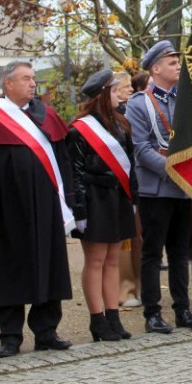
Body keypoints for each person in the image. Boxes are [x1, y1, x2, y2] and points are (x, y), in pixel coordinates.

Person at [0, 61, 74, 357]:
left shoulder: (47, 116)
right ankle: (10, 335)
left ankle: (46, 330)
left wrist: (69, 201)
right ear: (8, 84)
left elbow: (63, 161)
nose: (33, 84)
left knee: (49, 264)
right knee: (9, 268)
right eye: (26, 79)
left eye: (33, 78)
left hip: (45, 204)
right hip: (7, 207)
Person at [125, 41, 192, 333]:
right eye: (172, 62)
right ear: (155, 69)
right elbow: (141, 148)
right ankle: (152, 312)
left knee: (180, 252)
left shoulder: (187, 100)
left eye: (178, 62)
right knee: (153, 252)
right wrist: (172, 171)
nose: (178, 66)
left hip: (185, 186)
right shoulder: (139, 103)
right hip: (157, 187)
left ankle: (183, 309)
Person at [67, 69, 138, 342]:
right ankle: (97, 320)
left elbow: (130, 167)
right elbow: (74, 172)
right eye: (114, 89)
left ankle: (113, 317)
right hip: (95, 199)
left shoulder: (121, 124)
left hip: (117, 197)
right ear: (101, 94)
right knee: (95, 260)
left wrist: (133, 197)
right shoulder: (80, 129)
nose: (119, 93)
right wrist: (80, 211)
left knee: (112, 260)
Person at [115, 72, 143, 308]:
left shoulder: (133, 110)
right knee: (125, 241)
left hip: (137, 183)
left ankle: (139, 284)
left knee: (139, 239)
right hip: (118, 186)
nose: (130, 90)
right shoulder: (112, 116)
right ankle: (125, 288)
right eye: (124, 87)